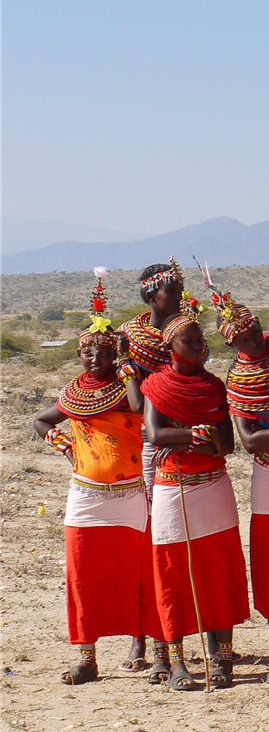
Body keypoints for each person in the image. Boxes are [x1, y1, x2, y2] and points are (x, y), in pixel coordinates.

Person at [32, 271, 158, 684]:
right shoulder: (74, 392)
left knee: (140, 572)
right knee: (83, 575)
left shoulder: (127, 389)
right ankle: (86, 657)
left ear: (114, 355)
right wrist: (62, 444)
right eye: (87, 353)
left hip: (129, 494)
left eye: (102, 352)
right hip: (84, 497)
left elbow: (143, 411)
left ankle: (157, 652)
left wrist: (126, 372)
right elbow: (40, 420)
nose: (93, 359)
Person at [141, 301, 248, 690]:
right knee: (171, 572)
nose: (200, 346)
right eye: (191, 341)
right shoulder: (155, 386)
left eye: (201, 340)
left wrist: (190, 437)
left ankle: (221, 660)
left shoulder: (213, 386)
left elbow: (225, 445)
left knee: (218, 569)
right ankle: (178, 662)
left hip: (213, 486)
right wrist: (199, 435)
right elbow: (156, 436)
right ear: (172, 345)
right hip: (172, 488)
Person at [212, 277, 269, 684]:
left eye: (251, 328)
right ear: (229, 344)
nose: (249, 337)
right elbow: (249, 441)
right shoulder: (237, 381)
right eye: (239, 337)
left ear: (260, 321)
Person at [115, 259, 184, 677]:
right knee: (149, 536)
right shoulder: (129, 336)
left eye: (178, 288)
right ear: (150, 294)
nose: (175, 296)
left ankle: (175, 632)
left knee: (179, 539)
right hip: (146, 443)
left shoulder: (184, 331)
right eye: (169, 289)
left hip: (186, 440)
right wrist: (127, 371)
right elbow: (136, 402)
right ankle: (143, 636)